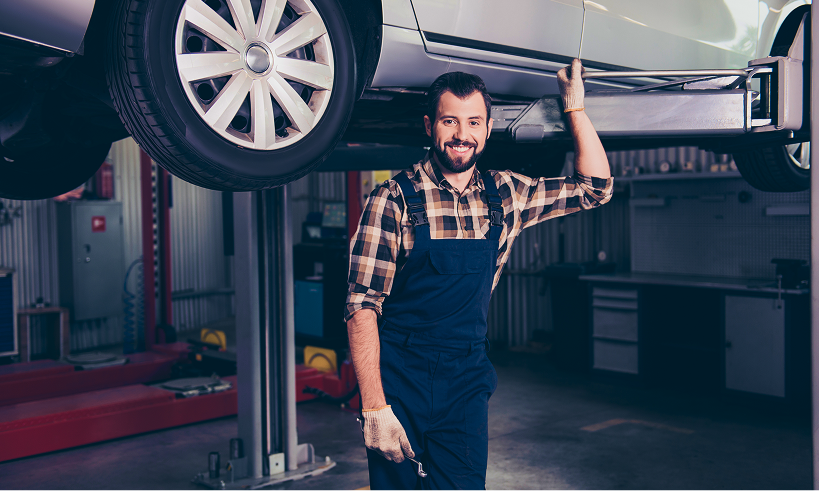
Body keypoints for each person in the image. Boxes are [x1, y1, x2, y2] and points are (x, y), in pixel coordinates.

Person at [345, 59, 613, 490]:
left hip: (465, 379)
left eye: (473, 122)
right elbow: (362, 305)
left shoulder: (506, 194)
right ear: (430, 125)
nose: (461, 135)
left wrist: (575, 108)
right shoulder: (391, 200)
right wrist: (374, 407)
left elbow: (595, 188)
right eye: (450, 120)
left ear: (487, 130)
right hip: (401, 380)